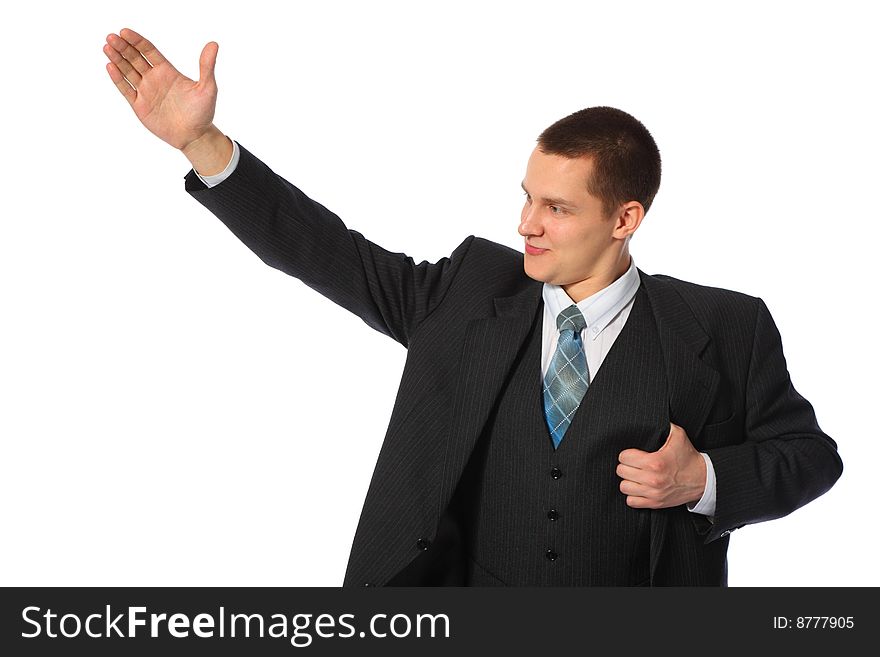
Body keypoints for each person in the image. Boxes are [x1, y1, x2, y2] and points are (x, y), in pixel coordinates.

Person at [103, 28, 843, 586]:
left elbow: (812, 457)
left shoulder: (723, 326)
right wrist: (202, 142)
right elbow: (328, 252)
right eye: (526, 196)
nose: (525, 223)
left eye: (556, 207)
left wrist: (705, 478)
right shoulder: (466, 294)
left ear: (624, 219)